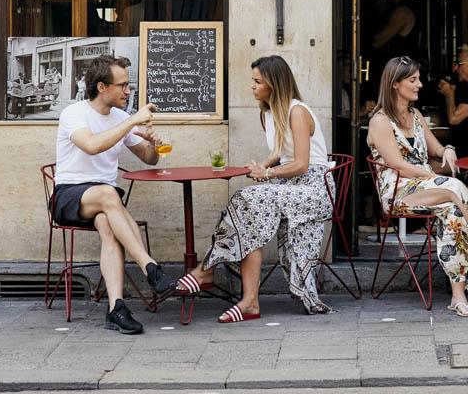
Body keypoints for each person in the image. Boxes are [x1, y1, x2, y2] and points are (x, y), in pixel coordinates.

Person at [175, 55, 333, 321]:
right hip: (289, 188)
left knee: (247, 198)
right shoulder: (267, 113)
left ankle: (207, 269)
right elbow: (280, 151)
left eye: (257, 81)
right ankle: (249, 302)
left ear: (274, 83)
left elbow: (302, 164)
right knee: (250, 214)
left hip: (314, 189)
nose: (252, 86)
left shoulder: (297, 111)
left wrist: (268, 173)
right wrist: (262, 165)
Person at [53, 55, 175, 334]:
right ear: (101, 87)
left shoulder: (121, 118)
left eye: (128, 85)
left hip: (106, 201)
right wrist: (131, 122)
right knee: (110, 194)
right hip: (70, 195)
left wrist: (155, 144)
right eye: (122, 85)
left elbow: (148, 158)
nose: (128, 91)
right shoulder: (74, 114)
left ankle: (115, 308)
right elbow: (92, 146)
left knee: (108, 223)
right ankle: (150, 267)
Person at [368, 55, 468, 315]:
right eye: (413, 80)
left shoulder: (415, 116)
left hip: (429, 189)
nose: (420, 84)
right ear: (395, 84)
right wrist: (434, 176)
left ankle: (458, 295)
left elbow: (436, 148)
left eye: (418, 79)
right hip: (399, 193)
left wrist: (447, 149)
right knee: (455, 188)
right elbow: (399, 165)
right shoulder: (380, 121)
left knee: (454, 211)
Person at [438, 48, 468, 153]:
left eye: (459, 64)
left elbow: (454, 119)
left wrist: (449, 95)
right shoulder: (464, 85)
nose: (455, 68)